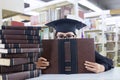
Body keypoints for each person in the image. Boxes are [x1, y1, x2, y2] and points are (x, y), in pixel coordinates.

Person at [36, 18, 113, 73]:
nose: (65, 39)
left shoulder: (84, 47)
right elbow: (28, 64)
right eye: (61, 36)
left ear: (75, 36)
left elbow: (109, 62)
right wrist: (36, 65)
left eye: (69, 36)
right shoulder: (47, 48)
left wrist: (102, 67)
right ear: (56, 37)